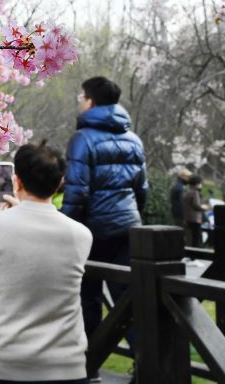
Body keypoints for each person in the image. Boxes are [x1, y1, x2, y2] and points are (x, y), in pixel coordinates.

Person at [0, 142, 92, 384]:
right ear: (60, 182)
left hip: (4, 364)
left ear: (16, 181)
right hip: (67, 367)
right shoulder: (81, 235)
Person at [60, 76, 146, 352]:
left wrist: (65, 228)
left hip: (93, 230)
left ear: (91, 101)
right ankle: (145, 363)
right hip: (128, 227)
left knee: (87, 296)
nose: (79, 103)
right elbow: (141, 189)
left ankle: (90, 363)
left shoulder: (82, 139)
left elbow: (76, 192)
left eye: (80, 98)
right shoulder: (133, 140)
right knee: (128, 299)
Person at [183, 175, 207, 248]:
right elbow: (196, 205)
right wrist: (205, 208)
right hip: (195, 218)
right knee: (197, 239)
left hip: (188, 218)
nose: (200, 185)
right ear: (196, 184)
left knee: (191, 238)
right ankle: (197, 255)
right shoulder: (195, 193)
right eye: (200, 183)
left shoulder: (187, 192)